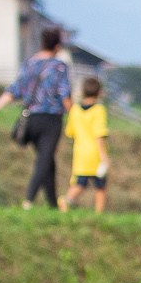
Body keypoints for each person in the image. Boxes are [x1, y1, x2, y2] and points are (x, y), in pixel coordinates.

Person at [0, 29, 73, 209]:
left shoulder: (30, 63)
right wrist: (76, 117)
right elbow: (65, 95)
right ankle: (28, 200)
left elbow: (15, 90)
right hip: (51, 119)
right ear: (57, 46)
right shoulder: (59, 66)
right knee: (44, 159)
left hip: (30, 118)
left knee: (47, 160)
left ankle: (52, 205)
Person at [62, 76, 111, 213]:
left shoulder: (75, 110)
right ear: (100, 92)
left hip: (80, 154)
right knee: (100, 186)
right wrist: (104, 157)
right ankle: (99, 213)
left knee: (79, 183)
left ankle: (66, 200)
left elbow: (69, 132)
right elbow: (99, 135)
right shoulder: (99, 110)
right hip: (95, 153)